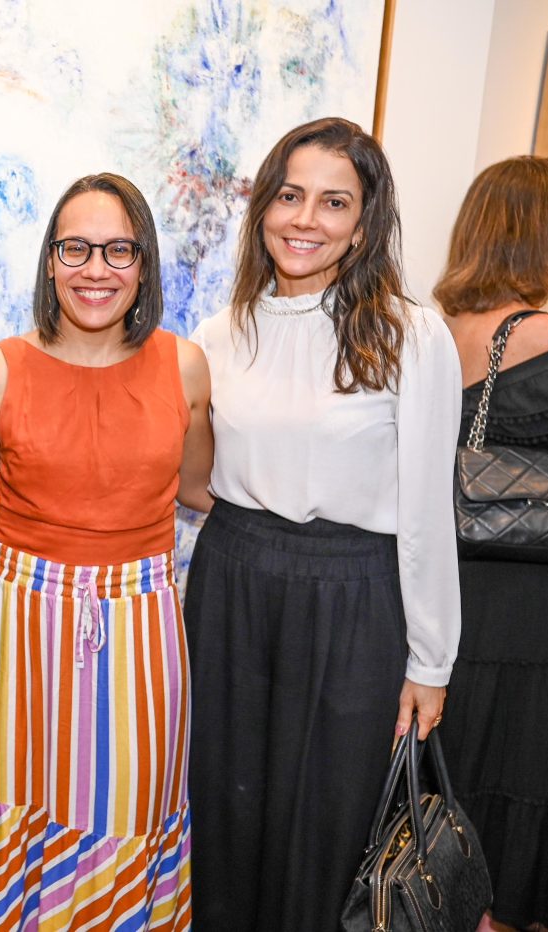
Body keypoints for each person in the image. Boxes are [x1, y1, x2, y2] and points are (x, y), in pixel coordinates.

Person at [185, 117, 462, 930]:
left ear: (364, 223)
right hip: (231, 583)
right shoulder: (218, 334)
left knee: (329, 826)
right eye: (290, 195)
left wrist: (431, 660)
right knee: (221, 809)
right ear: (264, 205)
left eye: (333, 202)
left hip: (354, 598)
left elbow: (424, 517)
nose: (305, 219)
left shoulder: (413, 336)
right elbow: (194, 485)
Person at [0, 172, 213, 930]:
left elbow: (200, 489)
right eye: (76, 248)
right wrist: (33, 547)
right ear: (50, 260)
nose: (95, 269)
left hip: (142, 627)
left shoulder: (185, 365)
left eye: (117, 250)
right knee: (10, 801)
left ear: (144, 263)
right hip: (15, 627)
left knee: (133, 804)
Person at [433, 155, 548, 932]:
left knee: (469, 791)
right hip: (547, 610)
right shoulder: (545, 334)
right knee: (537, 783)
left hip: (463, 602)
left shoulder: (433, 330)